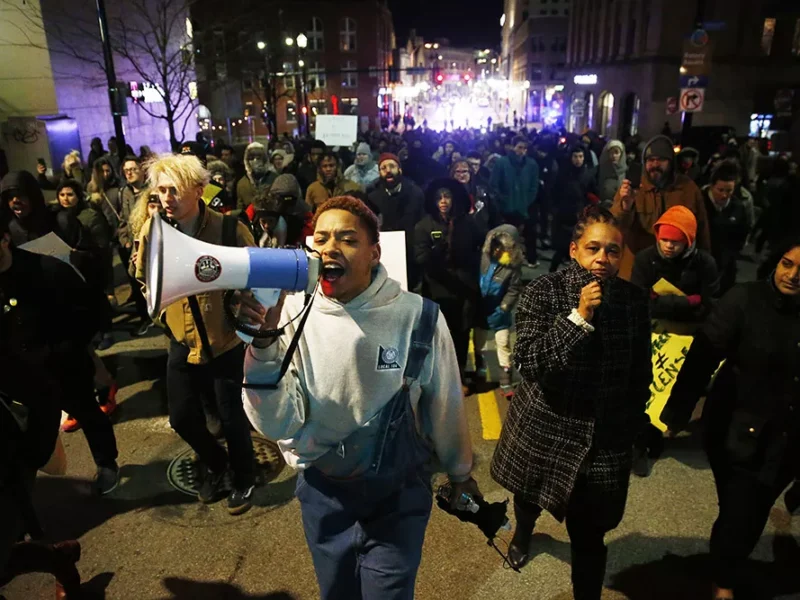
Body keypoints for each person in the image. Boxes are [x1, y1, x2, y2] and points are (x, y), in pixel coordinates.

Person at [241, 195, 478, 599]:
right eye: (320, 238)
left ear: (374, 252)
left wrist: (460, 472)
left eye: (347, 239)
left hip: (399, 497)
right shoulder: (288, 312)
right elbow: (278, 424)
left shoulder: (418, 316)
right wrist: (262, 348)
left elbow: (445, 403)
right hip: (323, 496)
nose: (329, 248)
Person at [490, 207, 651, 599]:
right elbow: (529, 361)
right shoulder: (544, 292)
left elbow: (639, 370)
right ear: (575, 250)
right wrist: (579, 317)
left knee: (590, 536)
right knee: (528, 499)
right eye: (593, 248)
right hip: (547, 427)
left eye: (612, 251)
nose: (602, 258)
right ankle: (524, 533)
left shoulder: (633, 301)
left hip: (602, 438)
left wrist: (635, 425)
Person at [660, 236, 800, 600]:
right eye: (788, 263)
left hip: (788, 440)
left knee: (756, 510)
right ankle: (723, 582)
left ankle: (729, 563)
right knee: (740, 512)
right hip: (738, 432)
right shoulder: (744, 300)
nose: (793, 275)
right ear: (776, 260)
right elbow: (702, 359)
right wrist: (673, 415)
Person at [134, 153, 257, 515]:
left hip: (224, 339)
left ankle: (245, 476)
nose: (166, 199)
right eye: (161, 191)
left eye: (174, 190)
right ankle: (218, 466)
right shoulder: (153, 230)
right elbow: (144, 278)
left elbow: (255, 274)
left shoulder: (228, 229)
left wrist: (241, 311)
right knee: (183, 418)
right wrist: (163, 317)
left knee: (232, 416)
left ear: (199, 190)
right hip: (181, 340)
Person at [0, 212, 120, 495]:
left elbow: (86, 307)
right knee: (35, 434)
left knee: (87, 412)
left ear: (5, 239)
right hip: (23, 373)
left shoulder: (44, 267)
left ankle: (107, 464)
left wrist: (71, 348)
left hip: (63, 362)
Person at [415, 179, 484, 392]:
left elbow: (481, 246)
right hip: (438, 290)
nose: (443, 202)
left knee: (462, 335)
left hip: (465, 289)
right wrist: (434, 253)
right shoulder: (424, 225)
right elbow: (419, 258)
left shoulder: (467, 222)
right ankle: (440, 379)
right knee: (440, 337)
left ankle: (460, 377)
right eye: (438, 198)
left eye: (447, 197)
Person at [611, 134, 711, 281]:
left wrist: (704, 266)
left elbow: (702, 229)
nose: (655, 164)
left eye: (661, 160)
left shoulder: (688, 188)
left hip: (677, 270)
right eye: (650, 160)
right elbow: (616, 227)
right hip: (637, 269)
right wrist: (625, 206)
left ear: (671, 163)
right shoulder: (632, 189)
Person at [631, 205, 719, 323]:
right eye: (664, 239)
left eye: (675, 241)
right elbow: (638, 302)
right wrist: (688, 302)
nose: (669, 246)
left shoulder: (705, 263)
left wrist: (658, 300)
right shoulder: (644, 259)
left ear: (688, 241)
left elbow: (709, 305)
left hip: (691, 327)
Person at [473, 224, 523, 392]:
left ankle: (505, 377)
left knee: (503, 345)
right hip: (481, 309)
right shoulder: (483, 258)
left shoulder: (512, 266)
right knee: (478, 342)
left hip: (499, 313)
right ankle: (480, 367)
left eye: (502, 248)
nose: (497, 251)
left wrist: (504, 307)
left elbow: (514, 289)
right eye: (495, 246)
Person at [368, 153, 425, 291]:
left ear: (400, 169)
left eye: (392, 166)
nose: (388, 170)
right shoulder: (372, 197)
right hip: (384, 255)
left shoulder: (415, 193)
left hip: (410, 254)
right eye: (383, 168)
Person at [490, 136, 540, 267]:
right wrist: (503, 200)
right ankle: (505, 261)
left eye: (525, 148)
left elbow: (534, 185)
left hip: (525, 206)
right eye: (519, 147)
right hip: (507, 207)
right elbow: (494, 184)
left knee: (530, 233)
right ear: (513, 147)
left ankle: (530, 258)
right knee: (507, 236)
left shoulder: (531, 164)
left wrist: (527, 200)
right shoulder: (502, 163)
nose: (522, 151)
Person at [702, 162, 750, 296]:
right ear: (712, 186)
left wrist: (732, 253)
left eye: (729, 191)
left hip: (726, 263)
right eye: (720, 190)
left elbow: (742, 232)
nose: (724, 195)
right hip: (702, 260)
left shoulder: (738, 207)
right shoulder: (700, 203)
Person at [550, 145, 598, 273]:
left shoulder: (587, 175)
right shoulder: (563, 174)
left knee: (579, 249)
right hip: (564, 216)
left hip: (580, 216)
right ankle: (551, 274)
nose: (578, 159)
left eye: (580, 156)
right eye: (575, 156)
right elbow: (555, 193)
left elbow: (592, 193)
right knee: (561, 248)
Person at [450, 159, 499, 237]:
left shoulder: (482, 190)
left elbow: (493, 212)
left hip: (481, 233)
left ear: (470, 173)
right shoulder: (448, 192)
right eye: (458, 172)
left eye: (465, 171)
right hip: (457, 235)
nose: (461, 175)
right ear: (453, 173)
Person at [236, 142, 275, 210]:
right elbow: (240, 208)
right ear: (247, 161)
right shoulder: (242, 183)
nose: (255, 161)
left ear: (264, 159)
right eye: (252, 158)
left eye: (258, 158)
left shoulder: (275, 178)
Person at [597, 139, 626, 208]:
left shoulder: (626, 172)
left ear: (621, 154)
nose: (614, 155)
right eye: (611, 153)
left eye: (616, 152)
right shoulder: (600, 170)